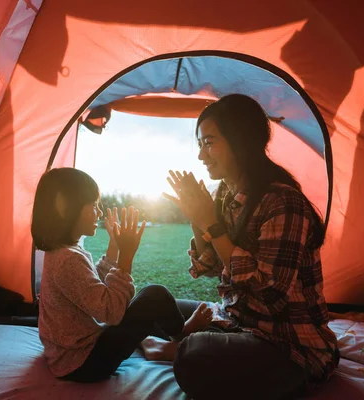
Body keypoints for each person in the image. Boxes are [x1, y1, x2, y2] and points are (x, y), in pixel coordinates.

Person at [143, 94, 339, 399]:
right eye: (200, 144)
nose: (201, 156)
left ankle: (178, 348)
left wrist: (212, 224)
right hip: (241, 323)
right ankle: (180, 342)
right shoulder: (226, 196)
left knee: (194, 356)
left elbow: (271, 297)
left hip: (291, 348)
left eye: (209, 142)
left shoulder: (283, 202)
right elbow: (207, 267)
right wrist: (197, 218)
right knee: (154, 304)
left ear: (240, 140)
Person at [31, 167, 212, 383]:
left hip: (70, 359)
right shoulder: (67, 259)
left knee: (142, 300)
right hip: (86, 363)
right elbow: (110, 312)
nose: (99, 213)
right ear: (66, 209)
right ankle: (179, 334)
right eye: (94, 206)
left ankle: (156, 343)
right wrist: (126, 255)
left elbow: (89, 288)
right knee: (154, 296)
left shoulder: (61, 253)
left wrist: (114, 245)